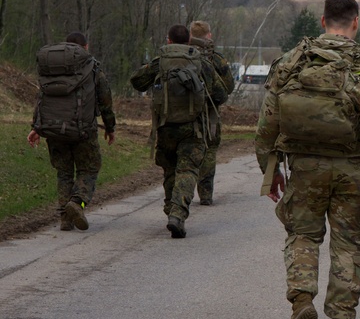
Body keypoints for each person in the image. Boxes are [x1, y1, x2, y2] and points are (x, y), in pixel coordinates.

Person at [255, 0, 360, 319]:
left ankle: (302, 301)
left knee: (303, 236)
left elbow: (267, 124)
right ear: (355, 23)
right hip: (355, 169)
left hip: (305, 166)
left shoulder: (292, 61)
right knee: (348, 244)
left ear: (323, 21)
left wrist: (269, 171)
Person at [130, 24, 228, 238]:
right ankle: (178, 213)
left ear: (169, 41)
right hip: (193, 128)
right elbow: (221, 94)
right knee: (188, 170)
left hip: (165, 127)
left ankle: (171, 209)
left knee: (170, 170)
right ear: (189, 41)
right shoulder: (201, 62)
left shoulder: (160, 62)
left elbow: (137, 82)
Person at [27, 32, 116, 232]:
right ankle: (78, 202)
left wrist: (36, 128)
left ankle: (65, 219)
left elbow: (42, 98)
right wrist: (110, 128)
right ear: (85, 47)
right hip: (84, 131)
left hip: (53, 129)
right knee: (89, 169)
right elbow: (105, 102)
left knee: (64, 172)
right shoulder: (93, 68)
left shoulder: (51, 70)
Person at [188, 20, 236, 205]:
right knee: (209, 150)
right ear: (208, 35)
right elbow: (229, 86)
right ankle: (205, 194)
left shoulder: (182, 55)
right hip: (209, 113)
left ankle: (180, 193)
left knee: (185, 151)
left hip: (181, 113)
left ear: (191, 35)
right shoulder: (215, 58)